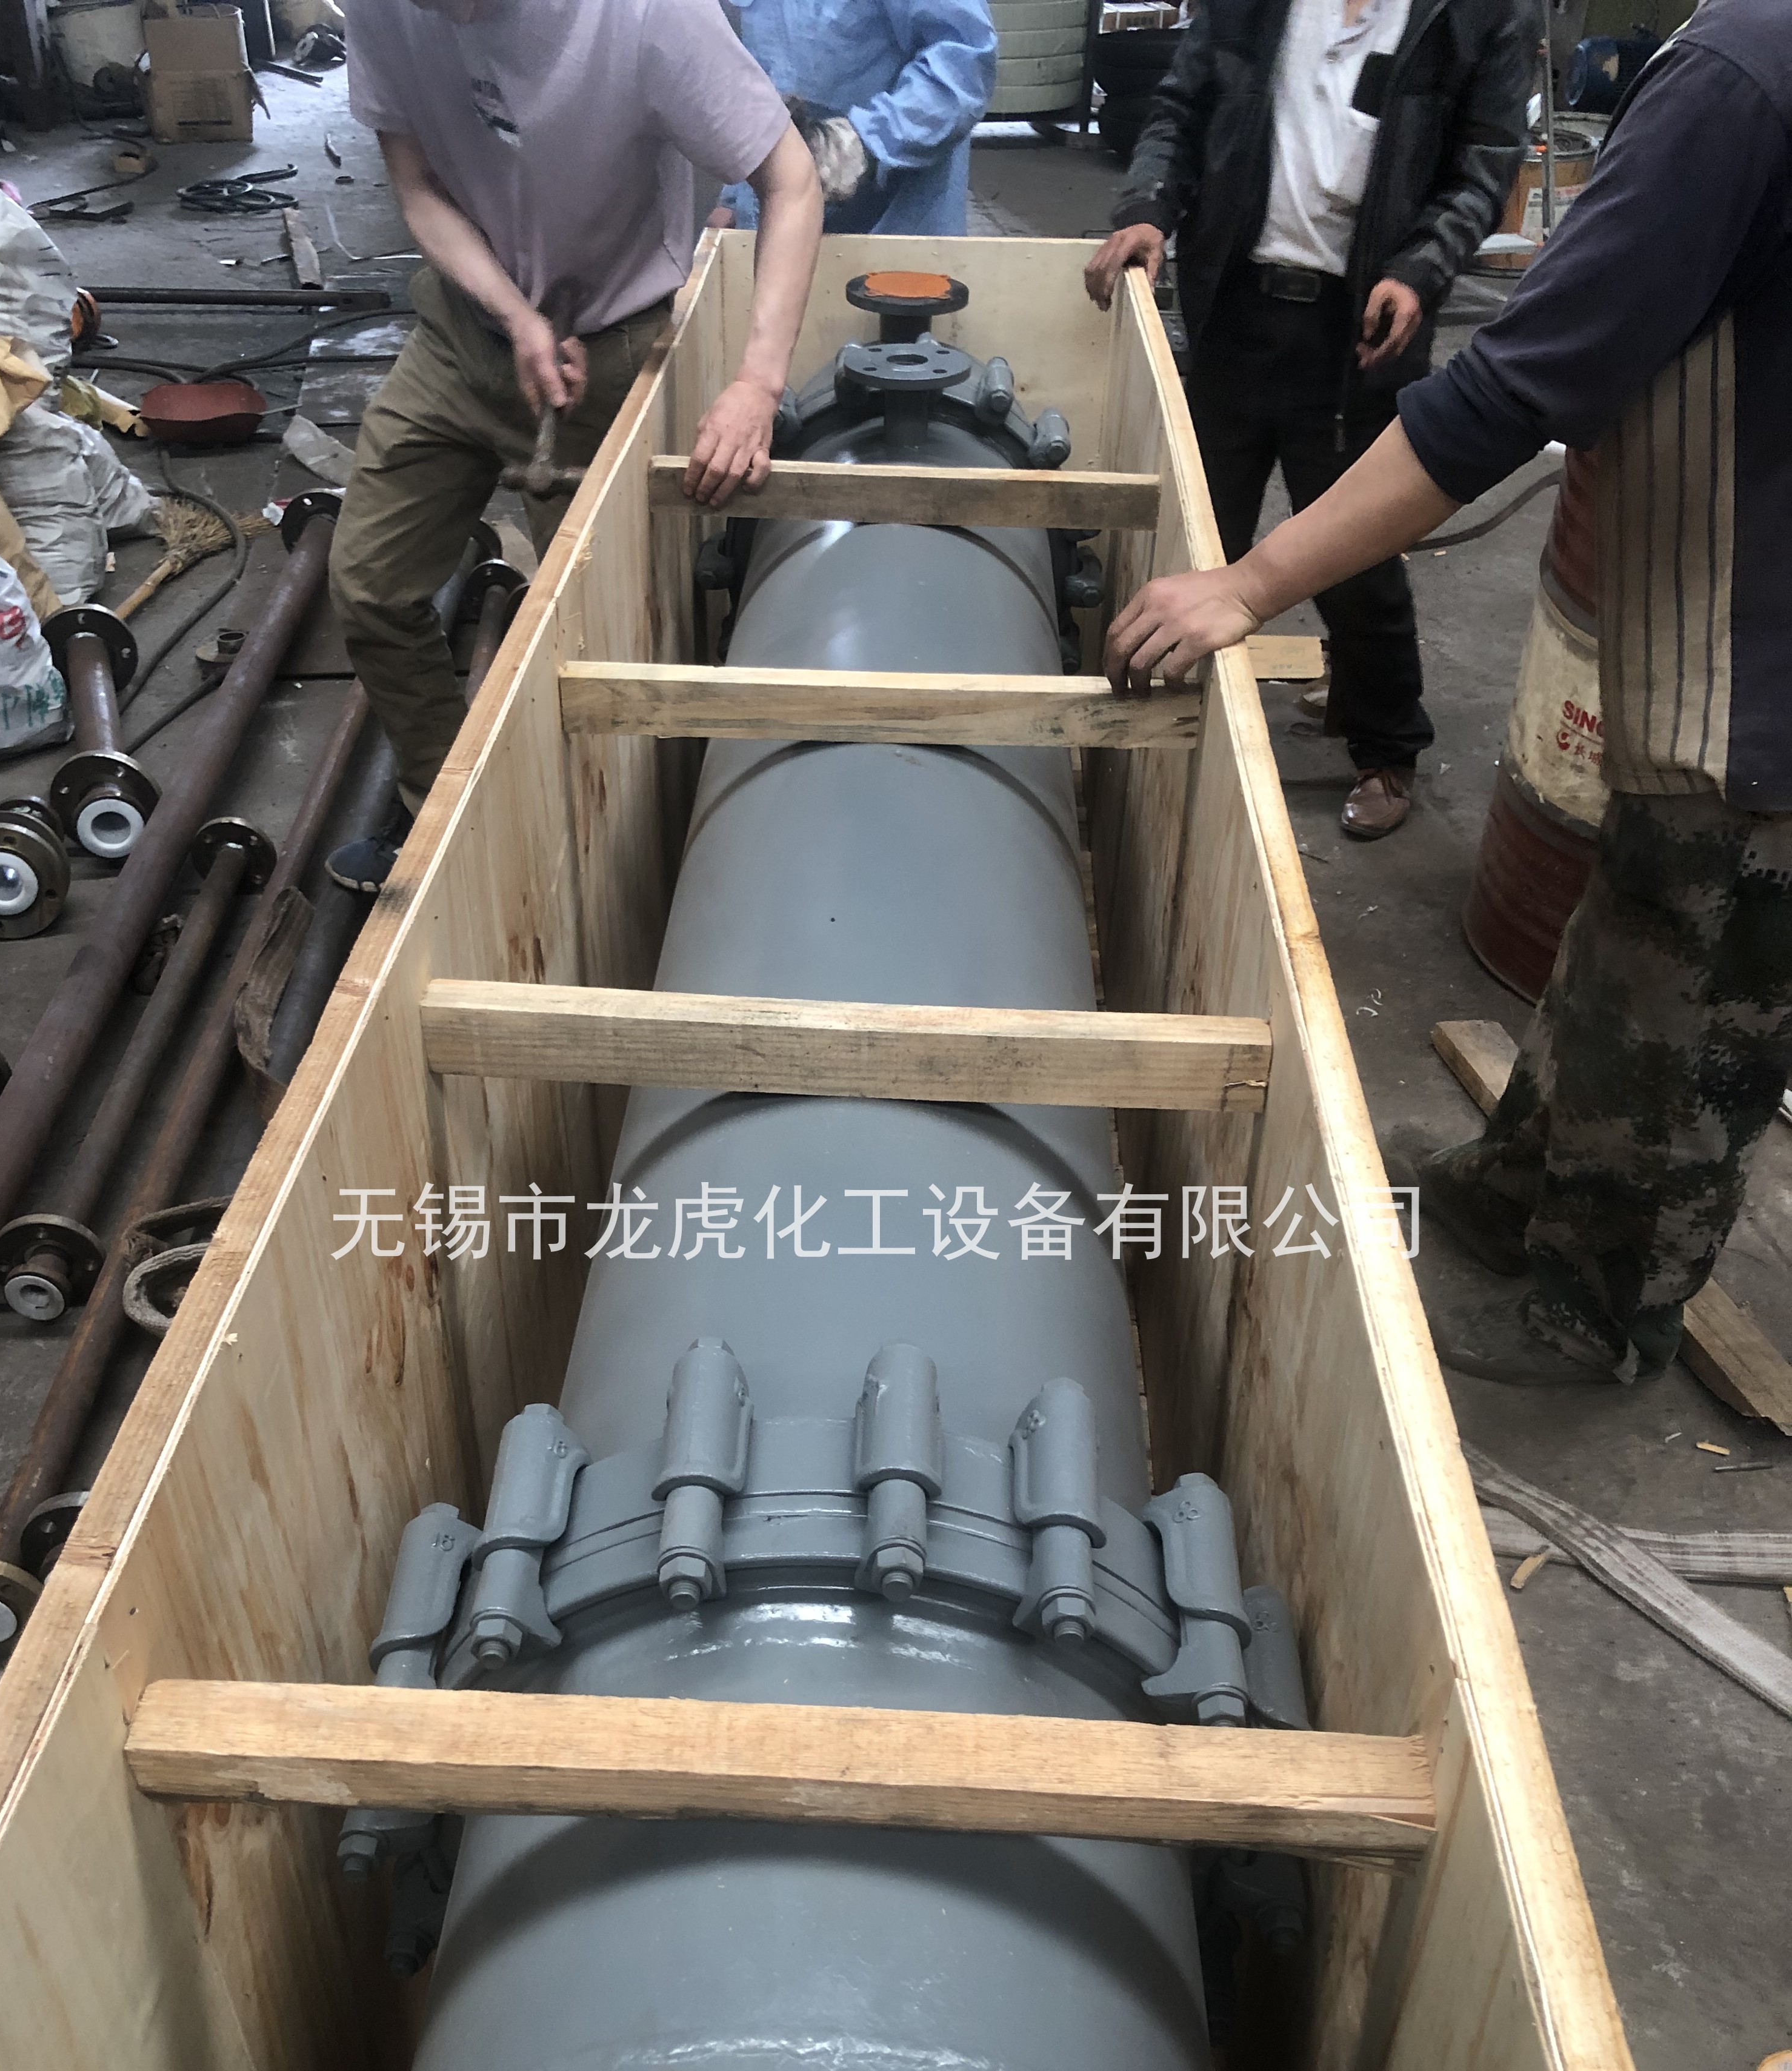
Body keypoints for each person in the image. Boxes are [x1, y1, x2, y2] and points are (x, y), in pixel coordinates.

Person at [1101, 0, 1792, 1389]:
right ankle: (1516, 1185)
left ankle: (1595, 1315)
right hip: (1729, 613)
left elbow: (1517, 385)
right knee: (1632, 921)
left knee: (1694, 993)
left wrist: (1253, 582)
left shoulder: (1740, 74)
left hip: (1757, 657)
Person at [326, 0, 824, 894]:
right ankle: (453, 832)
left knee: (601, 643)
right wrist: (514, 314)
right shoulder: (383, 8)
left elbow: (791, 179)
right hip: (464, 329)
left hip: (616, 343)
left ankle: (615, 872)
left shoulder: (645, 15)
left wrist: (757, 384)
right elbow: (418, 185)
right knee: (369, 587)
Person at [1084, 0, 1540, 839]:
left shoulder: (1479, 15)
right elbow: (1182, 108)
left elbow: (1482, 169)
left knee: (1351, 551)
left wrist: (1420, 268)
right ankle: (1153, 735)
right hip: (1235, 309)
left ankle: (1386, 746)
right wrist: (1148, 207)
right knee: (1199, 530)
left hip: (1359, 330)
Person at [718, 0, 997, 238]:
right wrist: (734, 200)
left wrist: (861, 145)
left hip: (894, 234)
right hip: (763, 229)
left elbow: (962, 66)